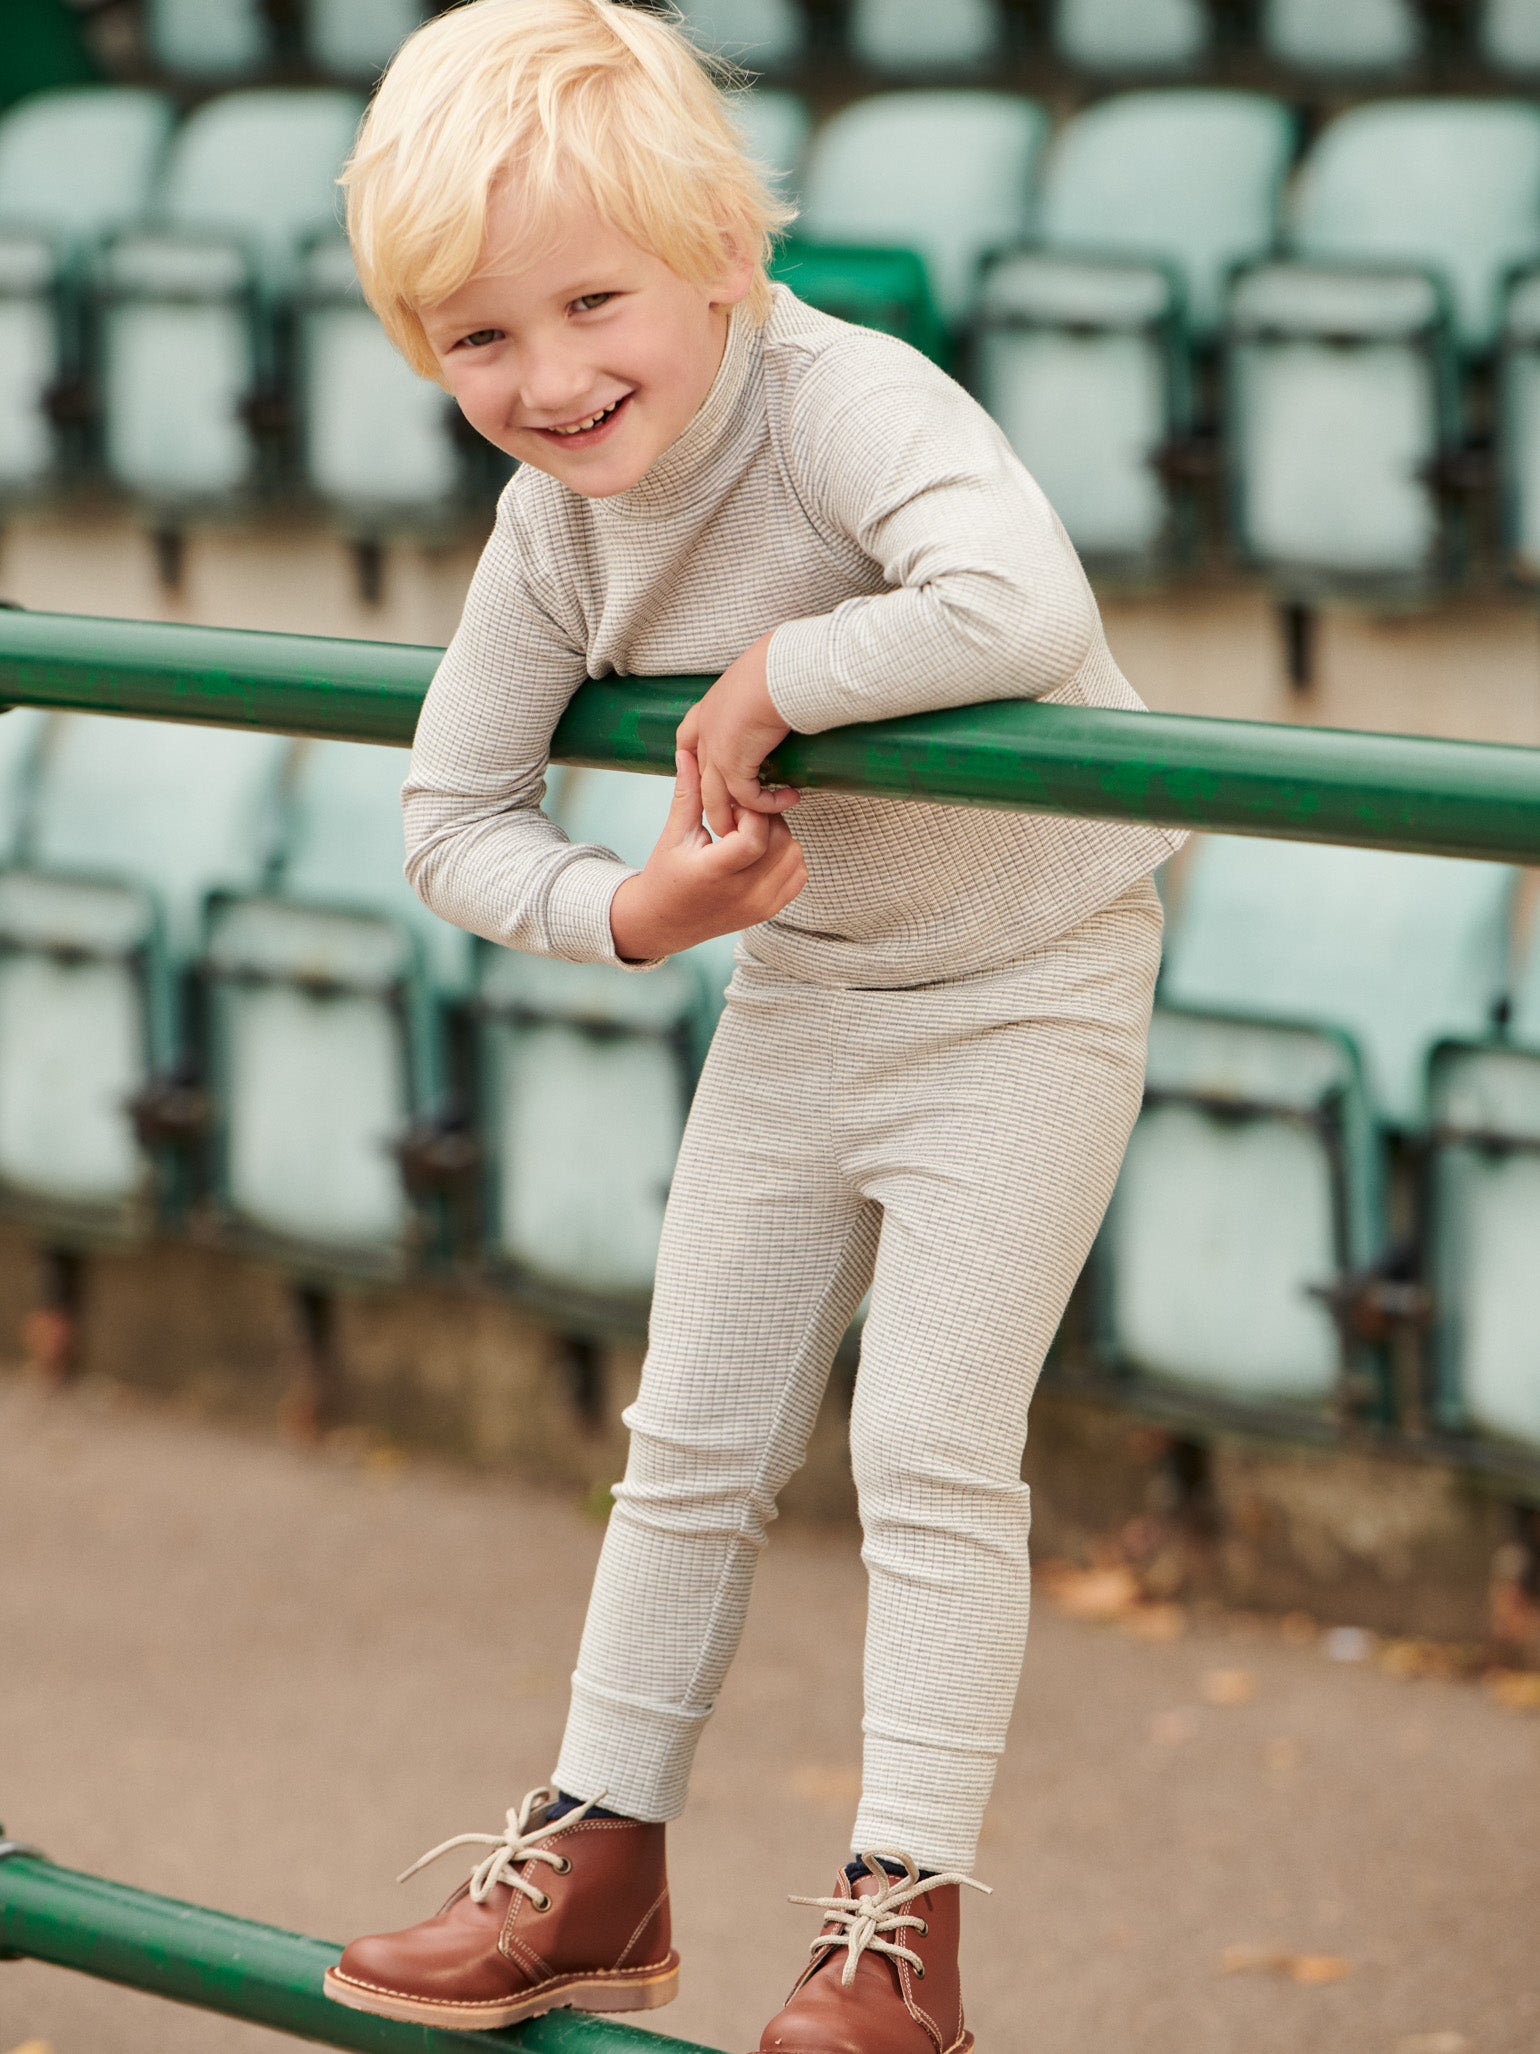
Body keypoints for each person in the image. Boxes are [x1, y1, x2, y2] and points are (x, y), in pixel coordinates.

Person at [323, 1, 1182, 2045]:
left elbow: (1012, 603)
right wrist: (634, 908)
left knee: (925, 1442)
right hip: (804, 986)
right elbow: (451, 818)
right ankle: (595, 1862)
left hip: (1031, 976)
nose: (546, 381)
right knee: (687, 1438)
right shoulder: (551, 522)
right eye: (477, 343)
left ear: (722, 250)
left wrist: (784, 667)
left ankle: (900, 1937)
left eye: (590, 302)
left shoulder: (838, 400)